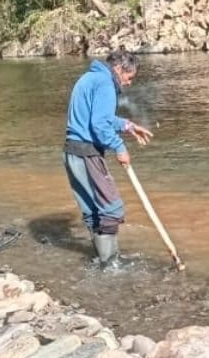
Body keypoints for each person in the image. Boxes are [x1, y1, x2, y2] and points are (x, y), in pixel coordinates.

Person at [64, 50, 153, 264]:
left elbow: (100, 117)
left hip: (72, 152)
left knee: (93, 211)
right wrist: (120, 147)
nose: (129, 83)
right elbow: (99, 124)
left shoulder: (90, 77)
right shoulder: (105, 83)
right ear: (118, 69)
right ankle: (111, 264)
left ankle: (105, 264)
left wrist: (127, 125)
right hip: (87, 154)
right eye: (129, 77)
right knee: (111, 208)